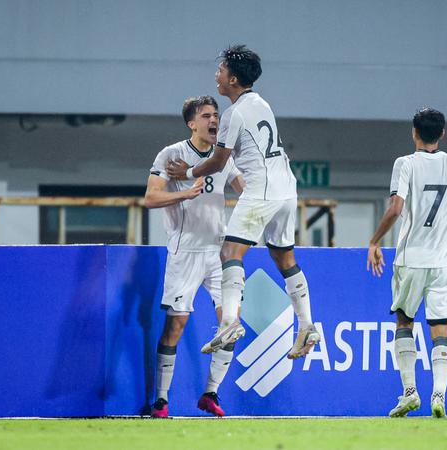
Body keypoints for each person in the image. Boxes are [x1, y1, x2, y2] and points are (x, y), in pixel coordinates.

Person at [167, 45, 320, 359]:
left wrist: (188, 171)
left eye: (221, 70)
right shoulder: (262, 104)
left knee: (230, 252)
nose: (217, 75)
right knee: (284, 258)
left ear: (233, 79)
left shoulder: (233, 114)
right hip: (287, 188)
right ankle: (307, 325)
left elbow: (219, 161)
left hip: (262, 189)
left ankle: (229, 322)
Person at [367, 107, 447, 418]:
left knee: (405, 321)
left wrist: (375, 241)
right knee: (440, 327)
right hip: (445, 261)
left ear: (414, 133)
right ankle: (439, 394)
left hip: (412, 258)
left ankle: (409, 392)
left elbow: (395, 209)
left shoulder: (405, 164)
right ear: (442, 134)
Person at [145, 95, 245, 418]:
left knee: (231, 324)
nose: (214, 120)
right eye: (206, 116)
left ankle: (210, 393)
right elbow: (150, 198)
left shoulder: (223, 156)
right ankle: (161, 400)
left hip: (218, 252)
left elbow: (244, 189)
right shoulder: (171, 154)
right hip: (185, 251)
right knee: (176, 326)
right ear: (192, 123)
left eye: (216, 115)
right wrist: (185, 192)